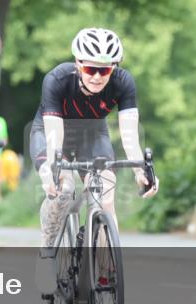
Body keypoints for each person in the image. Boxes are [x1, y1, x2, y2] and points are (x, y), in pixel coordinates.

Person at [31, 28, 159, 290]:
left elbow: (129, 133)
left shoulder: (124, 82)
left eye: (105, 70)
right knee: (64, 189)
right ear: (78, 64)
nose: (98, 77)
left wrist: (140, 170)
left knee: (106, 190)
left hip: (92, 133)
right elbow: (54, 134)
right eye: (91, 69)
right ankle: (46, 254)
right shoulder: (57, 78)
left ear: (115, 68)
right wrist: (50, 170)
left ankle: (105, 270)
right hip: (52, 132)